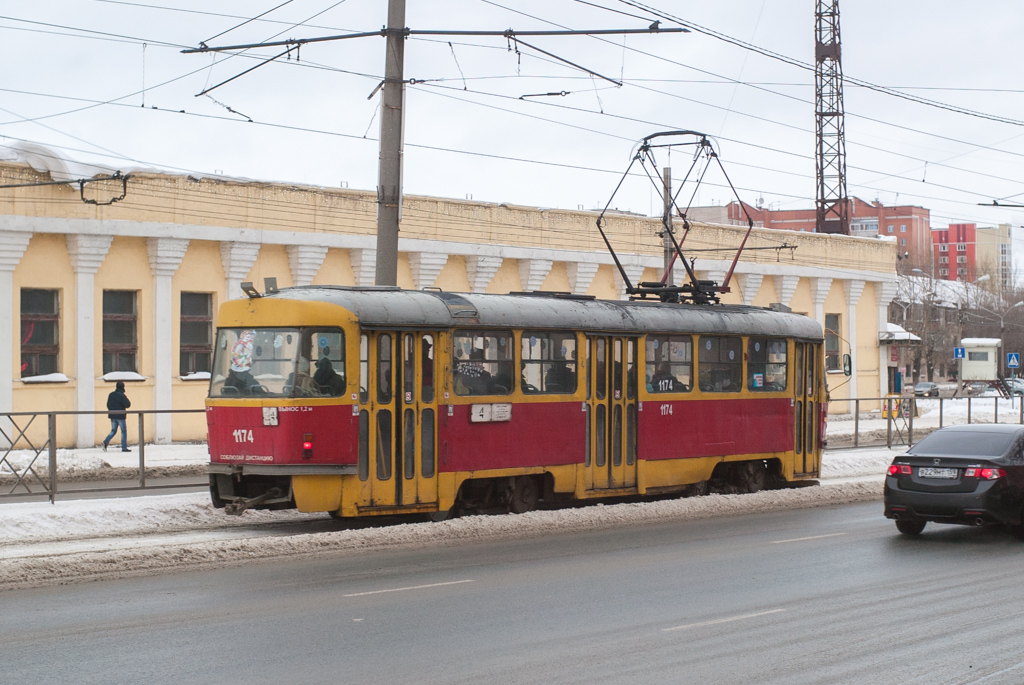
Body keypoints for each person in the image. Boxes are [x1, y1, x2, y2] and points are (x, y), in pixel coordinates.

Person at [102, 381, 131, 452]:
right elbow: (128, 404)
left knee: (113, 431)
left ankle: (105, 442)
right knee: (123, 431)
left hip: (112, 415)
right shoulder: (122, 395)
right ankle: (124, 447)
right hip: (121, 416)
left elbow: (108, 405)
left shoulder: (111, 395)